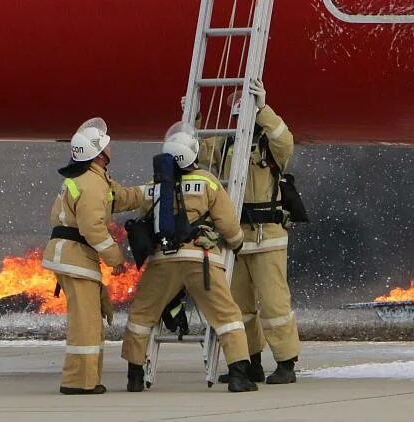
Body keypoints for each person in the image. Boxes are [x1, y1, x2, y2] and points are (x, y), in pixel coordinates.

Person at [121, 122, 257, 393]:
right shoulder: (208, 182)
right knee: (226, 315)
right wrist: (238, 244)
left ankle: (135, 375)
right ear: (193, 152)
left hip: (162, 261)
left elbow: (140, 210)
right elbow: (228, 225)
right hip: (201, 259)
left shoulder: (154, 187)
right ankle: (239, 375)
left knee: (141, 316)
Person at [201, 79, 301, 385]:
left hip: (267, 236)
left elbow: (286, 142)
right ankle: (251, 361)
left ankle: (286, 363)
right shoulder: (228, 143)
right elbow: (204, 159)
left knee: (274, 304)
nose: (238, 123)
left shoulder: (269, 145)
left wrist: (264, 109)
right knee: (239, 306)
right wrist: (192, 122)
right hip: (236, 236)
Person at [42, 117, 146, 395]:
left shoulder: (91, 179)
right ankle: (78, 382)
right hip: (76, 259)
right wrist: (116, 260)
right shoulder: (91, 184)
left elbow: (119, 198)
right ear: (98, 153)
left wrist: (150, 191)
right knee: (85, 323)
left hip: (73, 258)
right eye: (106, 145)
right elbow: (92, 227)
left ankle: (85, 379)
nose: (110, 147)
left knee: (89, 320)